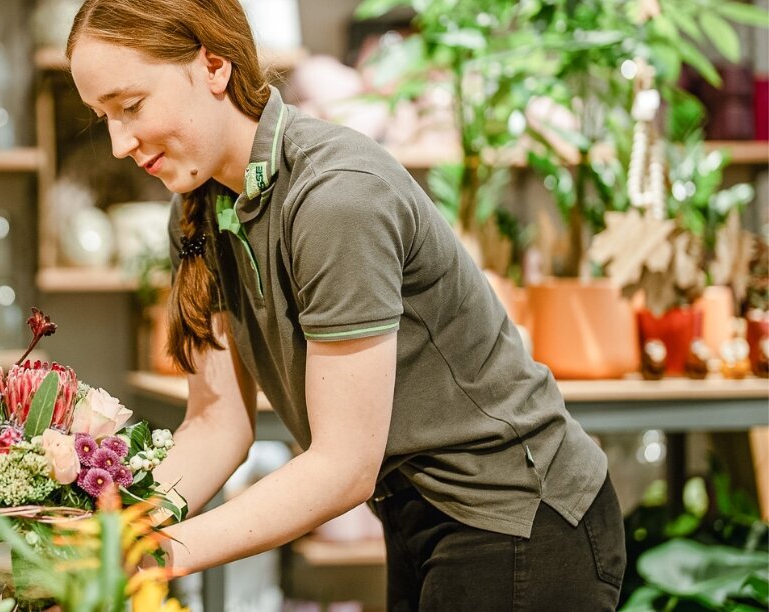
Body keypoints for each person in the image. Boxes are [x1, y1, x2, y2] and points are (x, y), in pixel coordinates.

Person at [66, 0, 626, 609]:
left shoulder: (335, 198)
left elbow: (343, 466)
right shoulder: (198, 205)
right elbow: (217, 423)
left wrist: (156, 554)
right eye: (104, 118)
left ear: (213, 64)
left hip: (520, 515)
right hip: (420, 512)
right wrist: (119, 526)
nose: (119, 143)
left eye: (132, 106)